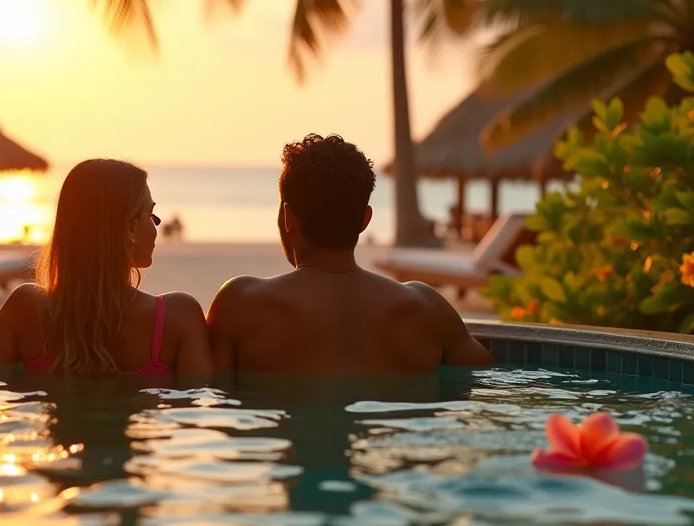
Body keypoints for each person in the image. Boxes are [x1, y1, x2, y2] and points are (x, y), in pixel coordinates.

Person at [207, 134, 493, 375]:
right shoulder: (425, 309)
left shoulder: (240, 305)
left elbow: (210, 398)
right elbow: (490, 377)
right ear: (364, 220)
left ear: (287, 217)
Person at [0, 159, 214, 375]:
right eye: (150, 215)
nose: (155, 226)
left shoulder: (26, 308)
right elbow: (199, 408)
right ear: (130, 227)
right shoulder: (177, 316)